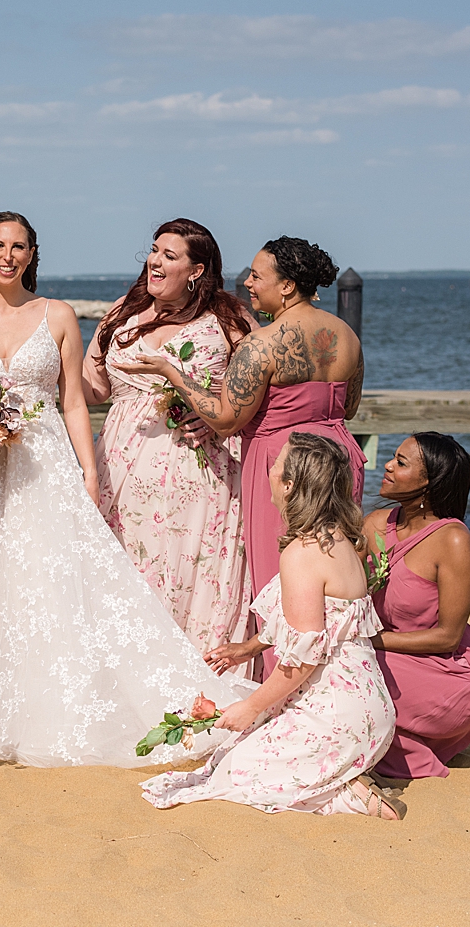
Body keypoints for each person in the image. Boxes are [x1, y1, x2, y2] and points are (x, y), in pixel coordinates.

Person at [0, 210, 251, 767]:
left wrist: (89, 473)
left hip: (44, 466)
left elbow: (74, 399)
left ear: (31, 255)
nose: (7, 256)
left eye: (19, 246)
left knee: (53, 582)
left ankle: (54, 701)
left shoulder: (60, 315)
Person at [114, 236, 365, 678]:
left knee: (282, 576)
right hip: (339, 454)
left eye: (257, 275)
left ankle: (283, 686)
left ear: (286, 286)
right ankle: (341, 678)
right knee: (336, 569)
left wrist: (172, 372)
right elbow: (351, 406)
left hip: (283, 462)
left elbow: (227, 420)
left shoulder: (263, 343)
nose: (247, 282)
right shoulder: (346, 335)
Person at [141, 433, 400, 818]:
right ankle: (338, 773)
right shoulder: (340, 540)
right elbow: (319, 624)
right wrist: (248, 649)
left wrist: (251, 706)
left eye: (277, 464)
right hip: (369, 706)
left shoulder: (302, 554)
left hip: (338, 711)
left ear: (290, 485)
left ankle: (345, 794)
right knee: (229, 755)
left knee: (233, 772)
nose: (270, 469)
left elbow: (304, 661)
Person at [83, 218, 256, 656]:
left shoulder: (228, 319)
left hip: (196, 476)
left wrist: (217, 417)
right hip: (119, 470)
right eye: (155, 250)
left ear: (196, 270)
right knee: (122, 576)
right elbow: (94, 387)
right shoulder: (124, 309)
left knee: (183, 576)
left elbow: (258, 394)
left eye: (169, 255)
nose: (155, 261)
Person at [362, 432, 470, 779]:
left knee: (349, 665)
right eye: (393, 457)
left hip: (447, 673)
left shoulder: (453, 541)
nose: (387, 466)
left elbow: (448, 638)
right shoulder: (375, 524)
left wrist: (369, 642)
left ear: (429, 482)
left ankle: (413, 757)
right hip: (389, 658)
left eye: (401, 463)